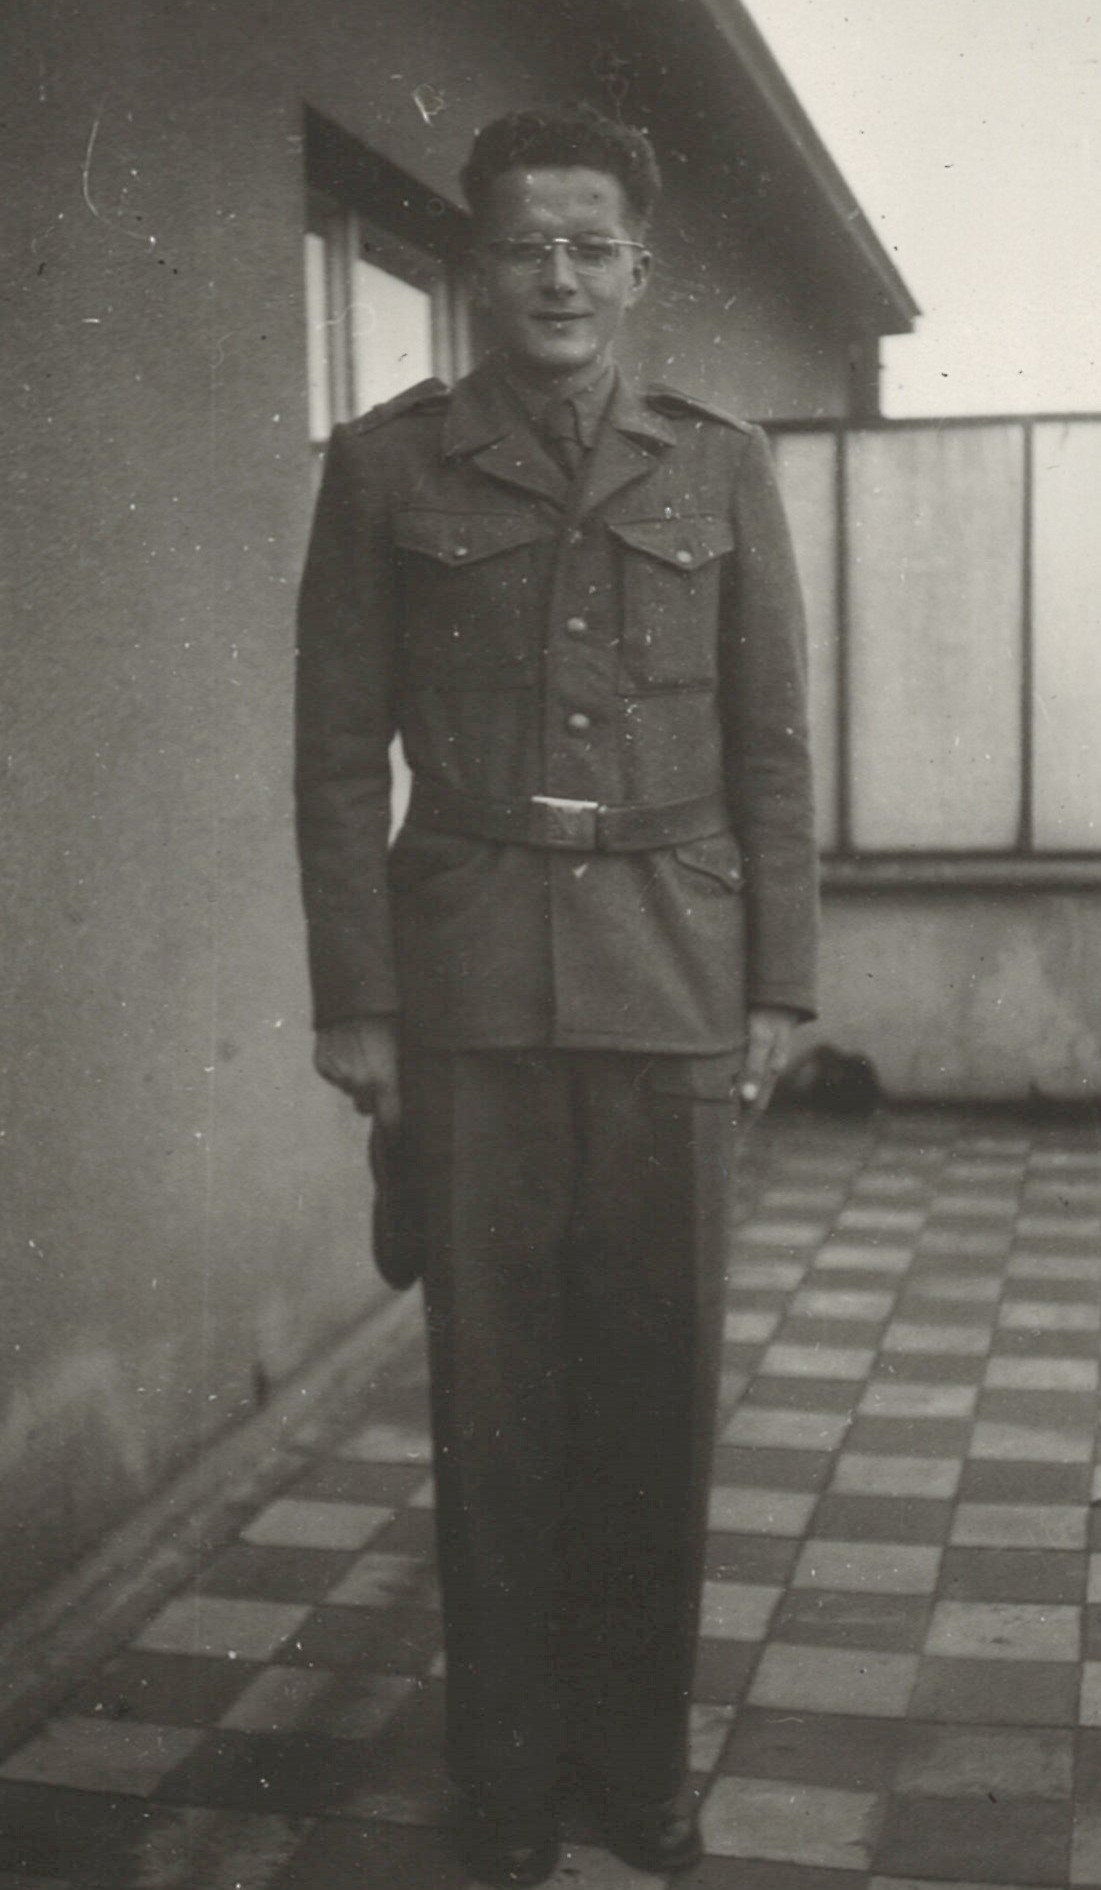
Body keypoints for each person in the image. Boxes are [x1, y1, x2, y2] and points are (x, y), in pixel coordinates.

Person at [295, 101, 817, 1887]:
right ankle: (509, 1779)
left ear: (636, 267)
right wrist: (359, 1005)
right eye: (526, 244)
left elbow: (770, 748)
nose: (560, 278)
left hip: (676, 978)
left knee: (655, 1407)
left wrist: (777, 985)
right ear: (477, 263)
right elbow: (332, 760)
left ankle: (637, 1766)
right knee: (495, 1408)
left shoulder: (718, 464)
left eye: (592, 245)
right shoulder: (387, 468)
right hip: (470, 997)